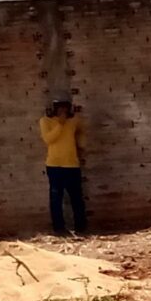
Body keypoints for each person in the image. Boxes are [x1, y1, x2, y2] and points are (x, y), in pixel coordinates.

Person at [40, 96, 86, 235]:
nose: (63, 112)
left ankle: (81, 227)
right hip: (54, 165)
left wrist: (82, 143)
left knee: (76, 198)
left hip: (72, 164)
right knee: (56, 198)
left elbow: (82, 132)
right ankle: (59, 228)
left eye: (65, 109)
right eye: (60, 109)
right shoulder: (45, 121)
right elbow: (48, 139)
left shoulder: (74, 121)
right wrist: (60, 124)